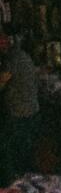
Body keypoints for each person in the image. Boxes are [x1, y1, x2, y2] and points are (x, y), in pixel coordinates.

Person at [2, 22, 39, 183]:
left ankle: (22, 185)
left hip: (20, 113)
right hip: (31, 110)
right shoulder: (23, 56)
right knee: (27, 152)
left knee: (19, 154)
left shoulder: (13, 59)